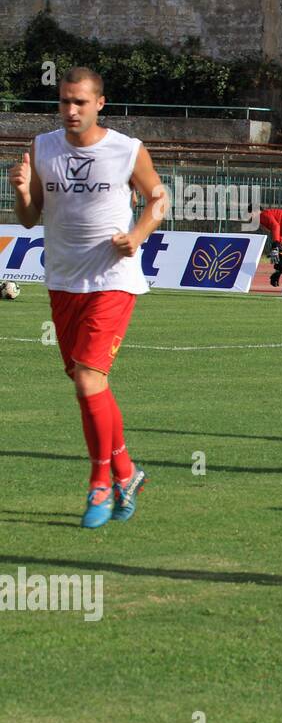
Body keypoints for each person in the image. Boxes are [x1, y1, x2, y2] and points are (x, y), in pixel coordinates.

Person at [8, 66, 169, 528]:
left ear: (100, 103)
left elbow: (158, 197)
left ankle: (100, 481)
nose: (71, 110)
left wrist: (137, 234)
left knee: (87, 381)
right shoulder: (42, 148)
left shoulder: (126, 149)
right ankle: (126, 471)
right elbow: (28, 218)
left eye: (80, 101)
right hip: (62, 282)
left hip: (112, 280)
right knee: (89, 386)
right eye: (64, 102)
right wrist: (20, 191)